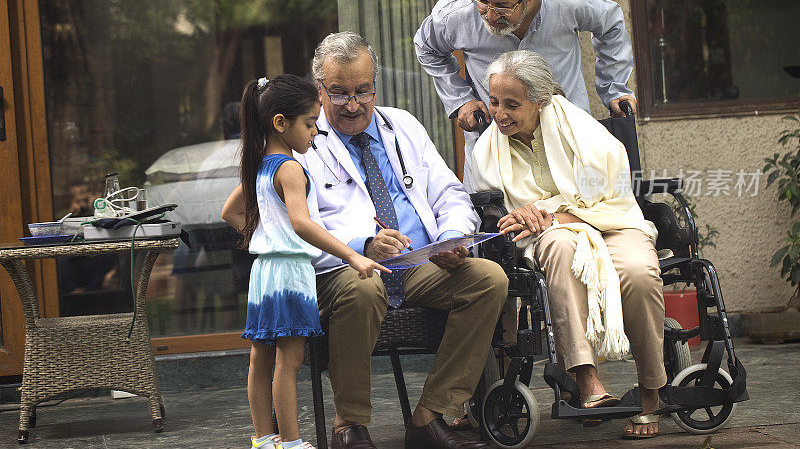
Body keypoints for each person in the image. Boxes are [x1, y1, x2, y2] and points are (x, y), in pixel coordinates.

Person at [302, 31, 506, 449]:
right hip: (345, 268)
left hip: (419, 263)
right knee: (364, 286)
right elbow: (300, 226)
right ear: (319, 91)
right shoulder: (305, 143)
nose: (353, 104)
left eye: (363, 91)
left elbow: (449, 193)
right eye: (339, 93)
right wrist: (362, 245)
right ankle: (350, 425)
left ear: (375, 85)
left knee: (489, 279)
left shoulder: (404, 126)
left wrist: (451, 240)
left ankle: (429, 416)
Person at [471, 50, 666, 440]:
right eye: (494, 102)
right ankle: (586, 380)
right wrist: (529, 217)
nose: (500, 114)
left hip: (610, 221)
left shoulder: (582, 130)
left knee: (639, 274)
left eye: (513, 104)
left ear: (540, 102)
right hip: (546, 235)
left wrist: (554, 212)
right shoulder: (487, 149)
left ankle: (651, 391)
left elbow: (608, 193)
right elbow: (498, 210)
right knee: (561, 248)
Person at [221, 74, 390, 449]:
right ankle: (292, 442)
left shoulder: (260, 163)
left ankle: (265, 439)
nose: (315, 131)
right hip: (290, 271)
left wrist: (265, 238)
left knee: (260, 358)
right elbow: (301, 223)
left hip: (264, 271)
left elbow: (230, 211)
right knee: (289, 361)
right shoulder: (291, 167)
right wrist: (351, 254)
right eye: (310, 123)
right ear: (280, 123)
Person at [414, 0, 637, 189]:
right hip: (495, 151)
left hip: (569, 144)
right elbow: (426, 47)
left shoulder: (571, 1)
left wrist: (614, 88)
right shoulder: (454, 15)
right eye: (482, 0)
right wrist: (460, 100)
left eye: (502, 6)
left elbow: (612, 24)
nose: (489, 14)